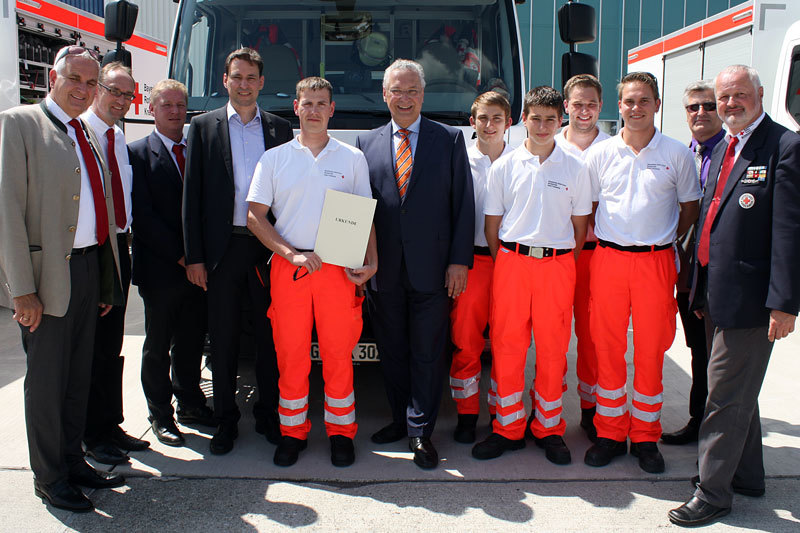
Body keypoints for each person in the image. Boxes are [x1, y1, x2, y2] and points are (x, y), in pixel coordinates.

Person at [669, 65, 800, 527]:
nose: (729, 104)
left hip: (753, 300)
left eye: (739, 95)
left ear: (760, 95)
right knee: (739, 390)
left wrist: (785, 303)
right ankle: (747, 476)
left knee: (723, 395)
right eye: (724, 97)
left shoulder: (785, 146)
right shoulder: (725, 145)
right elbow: (710, 219)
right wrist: (698, 287)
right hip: (715, 291)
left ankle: (714, 493)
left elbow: (789, 232)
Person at [0, 45, 124, 512]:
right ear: (54, 77)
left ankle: (73, 461)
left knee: (77, 375)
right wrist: (21, 289)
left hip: (89, 268)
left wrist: (105, 279)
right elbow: (6, 209)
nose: (83, 89)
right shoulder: (20, 124)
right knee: (49, 380)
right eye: (75, 79)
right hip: (47, 275)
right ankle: (50, 476)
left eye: (91, 83)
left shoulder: (84, 131)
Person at [247, 77, 377, 468]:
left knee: (339, 355)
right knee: (291, 357)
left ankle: (341, 433)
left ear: (332, 109)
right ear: (297, 108)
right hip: (291, 271)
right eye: (308, 103)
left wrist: (372, 262)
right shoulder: (274, 158)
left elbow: (366, 215)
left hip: (338, 270)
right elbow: (255, 216)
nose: (315, 110)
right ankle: (292, 433)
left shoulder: (351, 158)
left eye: (322, 103)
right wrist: (291, 254)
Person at [356, 59, 474, 470]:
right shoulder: (365, 143)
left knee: (427, 352)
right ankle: (398, 418)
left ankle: (421, 430)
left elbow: (464, 207)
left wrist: (460, 261)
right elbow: (358, 207)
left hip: (434, 268)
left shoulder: (450, 140)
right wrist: (357, 259)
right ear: (384, 95)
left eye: (412, 91)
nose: (404, 99)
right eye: (396, 91)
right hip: (381, 269)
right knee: (392, 351)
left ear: (423, 96)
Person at [582, 72, 700, 474]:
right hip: (609, 260)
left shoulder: (676, 154)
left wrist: (662, 240)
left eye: (644, 100)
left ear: (657, 105)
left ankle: (646, 436)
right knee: (608, 347)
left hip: (655, 262)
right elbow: (590, 208)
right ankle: (611, 433)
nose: (636, 107)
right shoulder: (600, 154)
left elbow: (689, 208)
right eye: (629, 101)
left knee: (650, 349)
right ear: (620, 106)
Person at [183, 47, 293, 455]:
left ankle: (269, 415)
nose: (244, 85)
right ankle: (225, 420)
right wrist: (195, 256)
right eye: (237, 77)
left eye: (251, 78)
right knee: (225, 338)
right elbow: (191, 196)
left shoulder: (281, 128)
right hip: (222, 250)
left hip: (267, 250)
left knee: (270, 337)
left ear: (262, 83)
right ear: (224, 80)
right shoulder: (203, 127)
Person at [473, 86, 590, 465]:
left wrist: (555, 258)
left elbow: (580, 226)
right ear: (523, 119)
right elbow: (493, 226)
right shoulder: (505, 165)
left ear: (562, 121)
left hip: (557, 265)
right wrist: (510, 259)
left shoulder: (575, 166)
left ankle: (549, 428)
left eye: (551, 120)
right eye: (535, 118)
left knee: (554, 347)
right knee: (507, 346)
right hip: (512, 262)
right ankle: (507, 427)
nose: (542, 126)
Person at [129, 79, 215, 448]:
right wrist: (184, 256)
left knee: (192, 341)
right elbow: (143, 217)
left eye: (181, 105)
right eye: (167, 105)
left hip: (198, 270)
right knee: (158, 345)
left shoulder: (198, 149)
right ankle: (161, 415)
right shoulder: (136, 154)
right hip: (163, 269)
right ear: (151, 109)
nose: (176, 112)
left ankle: (190, 404)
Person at [81, 61, 150, 465]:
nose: (122, 101)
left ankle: (111, 425)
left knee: (111, 344)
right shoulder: (81, 134)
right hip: (94, 249)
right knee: (91, 347)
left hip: (118, 247)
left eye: (128, 95)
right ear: (96, 89)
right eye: (114, 91)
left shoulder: (118, 139)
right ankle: (92, 433)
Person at [661, 80, 724, 446]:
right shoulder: (686, 154)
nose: (701, 113)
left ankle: (716, 433)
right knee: (698, 351)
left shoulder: (730, 153)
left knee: (720, 359)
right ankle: (698, 423)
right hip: (688, 276)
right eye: (693, 107)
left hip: (717, 276)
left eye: (709, 106)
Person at [448, 90, 513, 444]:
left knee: (506, 342)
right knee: (466, 341)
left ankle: (504, 415)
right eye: (483, 118)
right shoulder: (459, 161)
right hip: (471, 263)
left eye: (497, 118)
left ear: (509, 122)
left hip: (509, 262)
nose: (489, 125)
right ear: (472, 122)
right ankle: (467, 413)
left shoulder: (520, 162)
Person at [548, 73, 609, 443]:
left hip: (594, 256)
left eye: (591, 104)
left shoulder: (614, 148)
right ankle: (547, 406)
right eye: (577, 103)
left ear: (600, 107)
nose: (584, 110)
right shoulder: (547, 145)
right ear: (565, 107)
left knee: (591, 336)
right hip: (555, 256)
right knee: (551, 335)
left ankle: (591, 410)